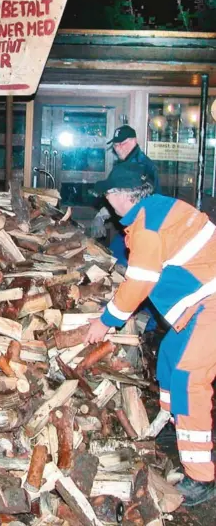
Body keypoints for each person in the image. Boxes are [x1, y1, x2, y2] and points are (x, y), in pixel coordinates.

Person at [86, 162, 216, 507]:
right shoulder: (156, 210)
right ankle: (174, 421)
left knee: (190, 380)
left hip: (210, 304)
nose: (107, 197)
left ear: (123, 196)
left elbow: (141, 282)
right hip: (199, 303)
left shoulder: (147, 228)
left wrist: (105, 321)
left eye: (110, 192)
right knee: (170, 358)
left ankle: (201, 477)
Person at [92, 124, 161, 263]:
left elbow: (135, 199)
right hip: (131, 225)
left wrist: (102, 214)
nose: (118, 148)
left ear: (134, 141)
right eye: (116, 145)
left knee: (118, 263)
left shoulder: (139, 166)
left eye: (122, 144)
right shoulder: (128, 162)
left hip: (145, 226)